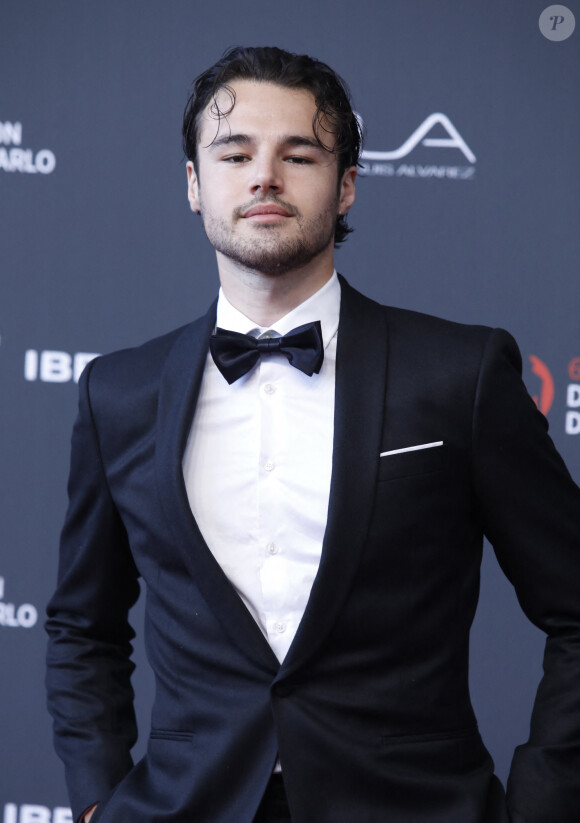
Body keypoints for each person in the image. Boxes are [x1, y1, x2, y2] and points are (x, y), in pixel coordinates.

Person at [45, 46, 580, 823]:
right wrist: (98, 796)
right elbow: (81, 624)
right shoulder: (118, 393)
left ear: (347, 184)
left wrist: (546, 805)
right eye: (235, 153)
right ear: (195, 185)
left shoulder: (458, 374)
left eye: (299, 154)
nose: (265, 176)